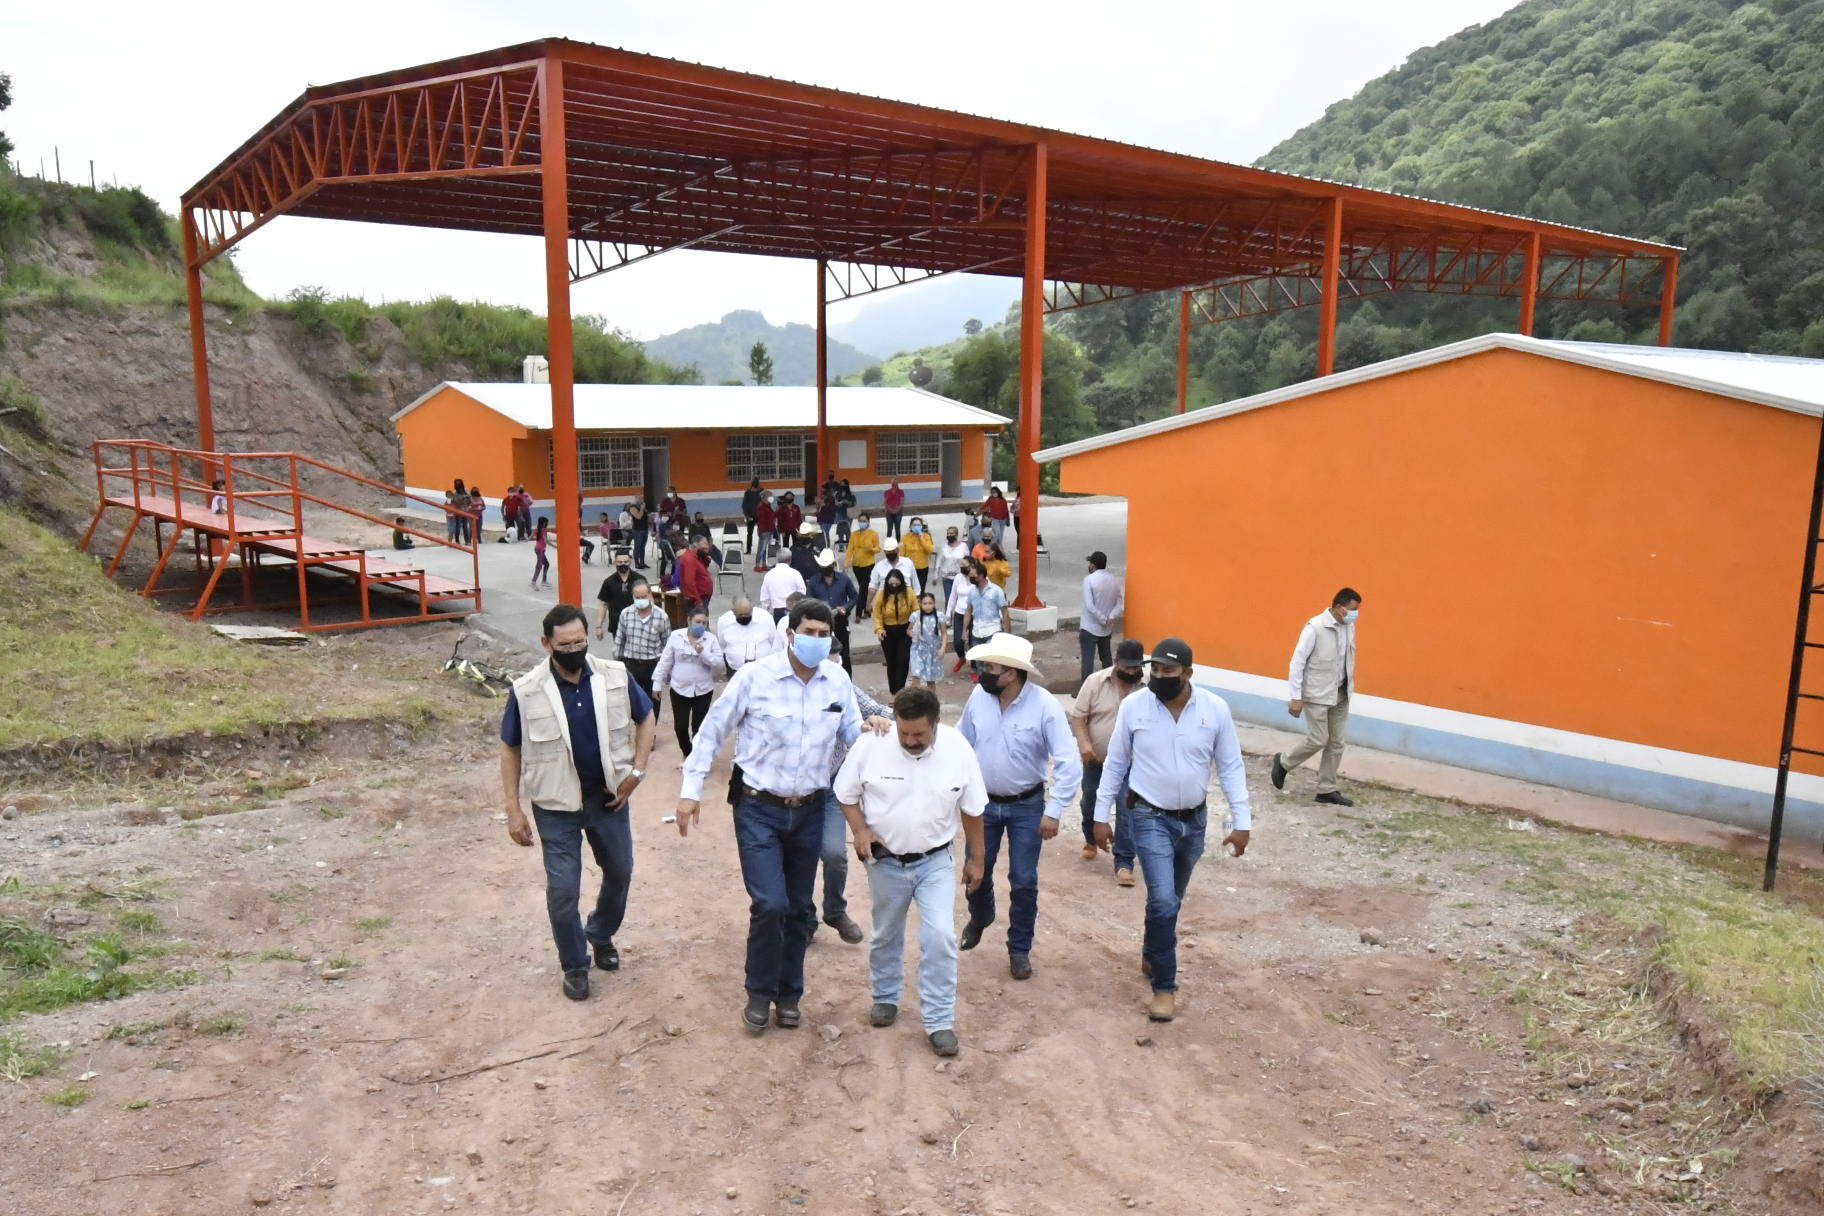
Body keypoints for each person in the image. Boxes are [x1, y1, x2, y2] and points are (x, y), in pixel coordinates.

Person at [676, 599, 889, 1035]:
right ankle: (759, 992)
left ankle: (789, 995)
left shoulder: (837, 680)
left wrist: (871, 731)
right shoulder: (755, 677)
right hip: (758, 808)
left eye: (824, 634)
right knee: (769, 904)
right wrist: (690, 791)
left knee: (796, 907)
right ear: (790, 634)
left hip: (809, 808)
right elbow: (713, 731)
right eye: (809, 632)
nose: (817, 640)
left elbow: (851, 732)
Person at [499, 603, 656, 1001]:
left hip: (608, 799)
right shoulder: (527, 690)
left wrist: (637, 771)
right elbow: (510, 748)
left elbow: (646, 716)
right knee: (563, 890)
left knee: (620, 871)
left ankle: (600, 932)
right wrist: (513, 809)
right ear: (546, 643)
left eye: (580, 642)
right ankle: (574, 964)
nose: (574, 650)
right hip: (556, 806)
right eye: (564, 645)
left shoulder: (614, 675)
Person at [1094, 637, 1252, 1023]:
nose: (1160, 676)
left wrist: (1242, 822)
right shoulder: (1135, 707)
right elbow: (1116, 763)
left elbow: (1230, 766)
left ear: (1188, 673)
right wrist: (1100, 815)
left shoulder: (1215, 709)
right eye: (1156, 670)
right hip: (1149, 816)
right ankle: (1165, 987)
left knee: (1171, 901)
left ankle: (1153, 948)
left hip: (1193, 822)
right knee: (1163, 901)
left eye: (1169, 670)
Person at [834, 686, 987, 1057]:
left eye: (919, 734)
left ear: (935, 724)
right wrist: (860, 830)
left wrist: (977, 859)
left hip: (935, 861)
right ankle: (885, 997)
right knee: (886, 933)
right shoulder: (873, 744)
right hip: (885, 861)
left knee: (940, 937)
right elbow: (845, 793)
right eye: (904, 732)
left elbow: (973, 809)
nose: (909, 740)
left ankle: (939, 1020)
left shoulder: (957, 749)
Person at [956, 632, 1081, 979]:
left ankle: (1019, 949)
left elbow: (1068, 759)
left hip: (1027, 805)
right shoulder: (978, 698)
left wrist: (1054, 810)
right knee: (975, 870)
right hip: (982, 803)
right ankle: (981, 916)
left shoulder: (1045, 706)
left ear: (1011, 673)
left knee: (1024, 879)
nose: (982, 673)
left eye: (989, 668)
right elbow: (961, 740)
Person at [1271, 587, 1363, 807]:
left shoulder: (1349, 627)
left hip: (1341, 693)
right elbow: (1297, 662)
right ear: (1339, 607)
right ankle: (1283, 762)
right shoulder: (1315, 627)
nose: (1355, 614)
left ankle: (1326, 789)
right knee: (1318, 739)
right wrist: (1296, 697)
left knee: (1337, 743)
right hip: (1317, 694)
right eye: (1352, 609)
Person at [1070, 638, 1146, 884]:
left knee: (1127, 808)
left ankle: (1124, 863)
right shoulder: (1095, 682)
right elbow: (1079, 717)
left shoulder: (1147, 689)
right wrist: (1084, 744)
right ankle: (1091, 838)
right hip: (1096, 760)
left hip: (1131, 765)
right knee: (1090, 800)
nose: (1132, 672)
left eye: (1136, 667)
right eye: (1127, 667)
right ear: (1115, 662)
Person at [654, 606, 723, 757]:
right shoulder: (676, 636)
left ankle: (697, 758)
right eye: (698, 622)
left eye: (704, 623)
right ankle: (688, 753)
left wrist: (703, 653)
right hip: (679, 689)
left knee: (699, 728)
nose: (701, 626)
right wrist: (657, 683)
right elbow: (665, 661)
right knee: (680, 727)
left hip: (703, 690)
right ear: (689, 620)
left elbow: (719, 665)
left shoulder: (711, 639)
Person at [613, 576, 668, 725]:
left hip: (652, 666)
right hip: (631, 665)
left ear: (650, 595)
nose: (640, 600)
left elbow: (667, 644)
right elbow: (619, 641)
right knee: (631, 702)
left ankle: (651, 731)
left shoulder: (661, 616)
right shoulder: (626, 614)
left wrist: (665, 670)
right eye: (637, 598)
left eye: (643, 597)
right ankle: (637, 728)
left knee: (654, 701)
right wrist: (617, 665)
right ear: (633, 596)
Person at [806, 549, 859, 674]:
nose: (825, 569)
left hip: (840, 622)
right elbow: (808, 602)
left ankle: (846, 679)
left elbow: (854, 597)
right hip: (821, 623)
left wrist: (845, 608)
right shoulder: (813, 582)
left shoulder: (844, 579)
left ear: (833, 565)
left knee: (844, 654)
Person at [1079, 550, 1125, 682]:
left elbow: (1089, 605)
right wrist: (1111, 617)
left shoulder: (1088, 580)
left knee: (1088, 660)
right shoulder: (1113, 580)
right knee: (1106, 658)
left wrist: (1103, 619)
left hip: (1089, 628)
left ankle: (1086, 687)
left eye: (1090, 563)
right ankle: (1109, 684)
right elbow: (1119, 603)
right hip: (1106, 629)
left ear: (1093, 565)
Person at [873, 568, 916, 694]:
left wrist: (912, 627)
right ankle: (893, 691)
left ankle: (900, 689)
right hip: (888, 631)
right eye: (891, 584)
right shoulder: (882, 594)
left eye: (896, 584)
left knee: (903, 659)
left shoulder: (909, 592)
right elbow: (877, 614)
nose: (894, 586)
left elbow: (916, 611)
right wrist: (879, 629)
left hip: (905, 630)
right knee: (891, 662)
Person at [961, 561, 1008, 664]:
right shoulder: (972, 591)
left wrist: (1007, 632)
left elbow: (1004, 611)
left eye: (973, 576)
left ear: (981, 576)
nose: (971, 578)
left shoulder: (996, 591)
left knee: (991, 664)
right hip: (976, 633)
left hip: (993, 631)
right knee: (979, 665)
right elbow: (968, 610)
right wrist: (964, 629)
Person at [717, 595, 778, 674]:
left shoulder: (766, 618)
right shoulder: (724, 621)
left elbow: (773, 641)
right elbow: (723, 644)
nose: (744, 617)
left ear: (752, 609)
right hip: (735, 670)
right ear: (733, 612)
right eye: (740, 615)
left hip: (763, 669)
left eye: (747, 614)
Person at [594, 549, 638, 640]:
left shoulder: (639, 579)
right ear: (615, 562)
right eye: (620, 562)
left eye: (626, 562)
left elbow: (649, 601)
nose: (623, 564)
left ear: (630, 561)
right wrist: (598, 626)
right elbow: (603, 604)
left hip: (637, 625)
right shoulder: (608, 582)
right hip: (617, 626)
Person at [908, 591, 945, 688]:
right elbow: (908, 630)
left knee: (931, 680)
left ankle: (930, 697)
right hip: (918, 650)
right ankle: (916, 696)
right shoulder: (915, 616)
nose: (928, 606)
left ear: (934, 603)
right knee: (915, 675)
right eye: (925, 603)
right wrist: (913, 634)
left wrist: (943, 648)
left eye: (930, 603)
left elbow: (944, 634)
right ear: (920, 604)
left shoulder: (940, 616)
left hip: (933, 651)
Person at [868, 535, 918, 606]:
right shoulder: (878, 567)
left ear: (898, 550)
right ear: (884, 552)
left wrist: (917, 603)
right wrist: (868, 603)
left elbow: (916, 585)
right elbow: (872, 587)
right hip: (885, 604)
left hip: (905, 604)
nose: (891, 553)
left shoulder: (908, 563)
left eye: (893, 551)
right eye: (888, 552)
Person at [847, 513, 881, 618]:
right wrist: (846, 563)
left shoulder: (873, 534)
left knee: (863, 588)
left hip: (868, 565)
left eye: (864, 521)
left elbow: (878, 548)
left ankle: (858, 612)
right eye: (860, 521)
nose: (862, 523)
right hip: (857, 565)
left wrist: (871, 549)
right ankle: (867, 609)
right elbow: (850, 549)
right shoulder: (854, 534)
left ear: (868, 522)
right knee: (864, 588)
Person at [674, 535, 716, 617]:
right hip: (697, 598)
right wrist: (698, 600)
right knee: (699, 621)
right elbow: (689, 582)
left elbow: (704, 566)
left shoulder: (698, 556)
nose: (707, 547)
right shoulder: (689, 559)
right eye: (705, 545)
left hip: (702, 597)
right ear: (695, 546)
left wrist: (704, 556)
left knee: (704, 619)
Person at [946, 559, 975, 674]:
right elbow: (953, 596)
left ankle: (974, 667)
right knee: (957, 642)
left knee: (973, 642)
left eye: (964, 565)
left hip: (974, 614)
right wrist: (948, 614)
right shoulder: (958, 577)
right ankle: (962, 658)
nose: (962, 567)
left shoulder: (977, 576)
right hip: (959, 613)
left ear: (971, 565)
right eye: (960, 565)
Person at [759, 555, 806, 623]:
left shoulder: (769, 574)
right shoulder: (796, 573)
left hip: (776, 610)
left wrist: (765, 612)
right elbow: (802, 592)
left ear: (777, 559)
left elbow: (765, 598)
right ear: (790, 560)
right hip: (794, 610)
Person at [936, 524, 969, 609]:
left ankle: (959, 614)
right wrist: (936, 575)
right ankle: (948, 616)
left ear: (956, 535)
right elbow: (939, 561)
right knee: (949, 599)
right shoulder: (943, 547)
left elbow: (968, 560)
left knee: (960, 599)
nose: (949, 535)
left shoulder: (963, 546)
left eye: (951, 533)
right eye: (948, 533)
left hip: (960, 577)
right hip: (947, 578)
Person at [900, 516, 935, 592]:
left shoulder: (926, 536)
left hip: (922, 569)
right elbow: (901, 555)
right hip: (909, 569)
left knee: (921, 591)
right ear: (910, 526)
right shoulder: (905, 537)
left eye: (919, 525)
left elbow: (930, 550)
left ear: (922, 526)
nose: (917, 527)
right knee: (909, 591)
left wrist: (922, 539)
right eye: (914, 525)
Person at [754, 491, 777, 571]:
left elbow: (772, 515)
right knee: (761, 548)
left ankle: (764, 564)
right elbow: (762, 519)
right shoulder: (761, 507)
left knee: (765, 549)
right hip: (764, 530)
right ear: (764, 497)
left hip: (769, 529)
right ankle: (757, 565)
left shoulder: (768, 506)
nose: (771, 497)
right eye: (769, 496)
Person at [741, 478, 764, 553]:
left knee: (762, 532)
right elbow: (744, 505)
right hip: (751, 515)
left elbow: (765, 502)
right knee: (750, 533)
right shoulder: (748, 492)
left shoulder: (762, 492)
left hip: (760, 515)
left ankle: (763, 548)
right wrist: (747, 516)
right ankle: (748, 549)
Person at [627, 499, 651, 568]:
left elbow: (645, 517)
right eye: (639, 498)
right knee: (637, 547)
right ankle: (637, 563)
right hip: (638, 530)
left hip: (645, 529)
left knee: (642, 547)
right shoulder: (633, 508)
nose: (641, 500)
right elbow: (639, 517)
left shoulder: (643, 507)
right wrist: (642, 508)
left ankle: (642, 563)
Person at [531, 516, 551, 588]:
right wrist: (555, 546)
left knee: (546, 564)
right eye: (547, 523)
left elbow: (531, 536)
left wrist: (526, 539)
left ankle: (544, 581)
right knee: (539, 566)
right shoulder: (544, 530)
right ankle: (533, 582)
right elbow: (545, 541)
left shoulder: (537, 529)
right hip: (540, 550)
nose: (547, 524)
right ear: (544, 523)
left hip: (537, 549)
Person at [452, 480, 473, 545]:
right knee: (458, 526)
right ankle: (457, 541)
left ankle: (467, 541)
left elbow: (470, 499)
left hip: (465, 511)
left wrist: (468, 502)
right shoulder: (454, 493)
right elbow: (456, 502)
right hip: (459, 512)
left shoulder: (465, 490)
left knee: (465, 526)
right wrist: (464, 498)